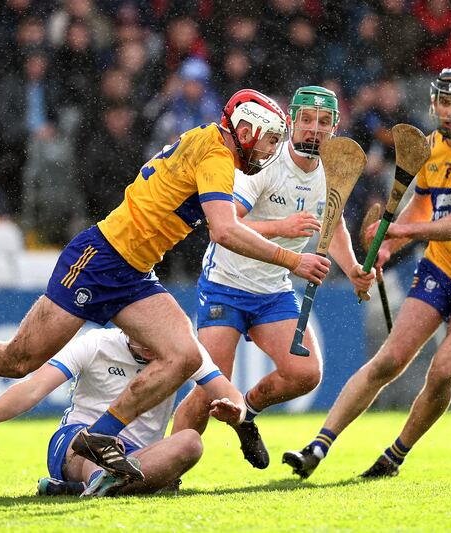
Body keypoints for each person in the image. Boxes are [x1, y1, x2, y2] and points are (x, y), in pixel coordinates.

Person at [0, 89, 331, 484]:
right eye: (268, 138)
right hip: (99, 260)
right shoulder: (216, 154)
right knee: (18, 358)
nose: (270, 149)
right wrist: (294, 258)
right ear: (244, 129)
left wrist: (243, 420)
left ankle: (101, 434)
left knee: (185, 355)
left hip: (134, 272)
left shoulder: (208, 142)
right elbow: (225, 231)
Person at [283, 67, 451, 480]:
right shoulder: (430, 147)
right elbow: (422, 205)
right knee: (388, 361)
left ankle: (395, 454)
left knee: (443, 371)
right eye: (445, 102)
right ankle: (318, 445)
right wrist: (388, 246)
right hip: (440, 271)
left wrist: (402, 230)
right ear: (433, 103)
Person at [171, 86, 373, 469]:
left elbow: (336, 227)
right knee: (209, 391)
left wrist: (354, 272)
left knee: (305, 373)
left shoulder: (332, 171)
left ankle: (247, 412)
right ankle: (168, 471)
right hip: (225, 285)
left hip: (273, 291)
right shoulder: (266, 160)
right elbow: (228, 221)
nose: (315, 129)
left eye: (324, 122)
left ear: (335, 127)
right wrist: (284, 226)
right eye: (308, 120)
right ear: (293, 122)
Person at [0, 327, 244, 497]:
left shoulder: (183, 349)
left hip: (138, 455)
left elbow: (229, 393)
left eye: (159, 337)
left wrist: (236, 411)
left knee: (191, 441)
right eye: (146, 337)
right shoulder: (95, 343)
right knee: (95, 446)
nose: (154, 346)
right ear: (129, 325)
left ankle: (83, 489)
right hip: (78, 442)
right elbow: (33, 389)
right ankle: (101, 479)